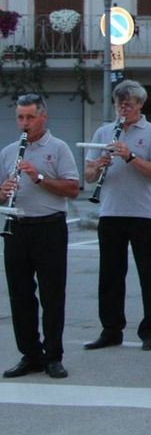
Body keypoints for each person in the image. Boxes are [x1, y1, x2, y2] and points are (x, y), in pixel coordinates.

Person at [84, 79, 151, 351]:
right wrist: (99, 165)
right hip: (110, 212)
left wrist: (130, 157)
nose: (123, 110)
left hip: (142, 213)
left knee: (148, 273)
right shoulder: (103, 132)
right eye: (119, 105)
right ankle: (111, 330)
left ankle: (150, 331)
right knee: (110, 275)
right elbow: (87, 175)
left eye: (129, 105)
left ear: (140, 105)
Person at [0, 93, 79, 380]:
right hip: (17, 226)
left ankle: (53, 356)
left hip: (49, 227)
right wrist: (3, 191)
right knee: (20, 294)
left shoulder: (58, 148)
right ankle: (30, 354)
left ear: (43, 117)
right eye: (20, 117)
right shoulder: (9, 151)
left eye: (30, 117)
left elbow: (73, 189)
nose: (25, 123)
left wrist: (39, 178)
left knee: (52, 294)